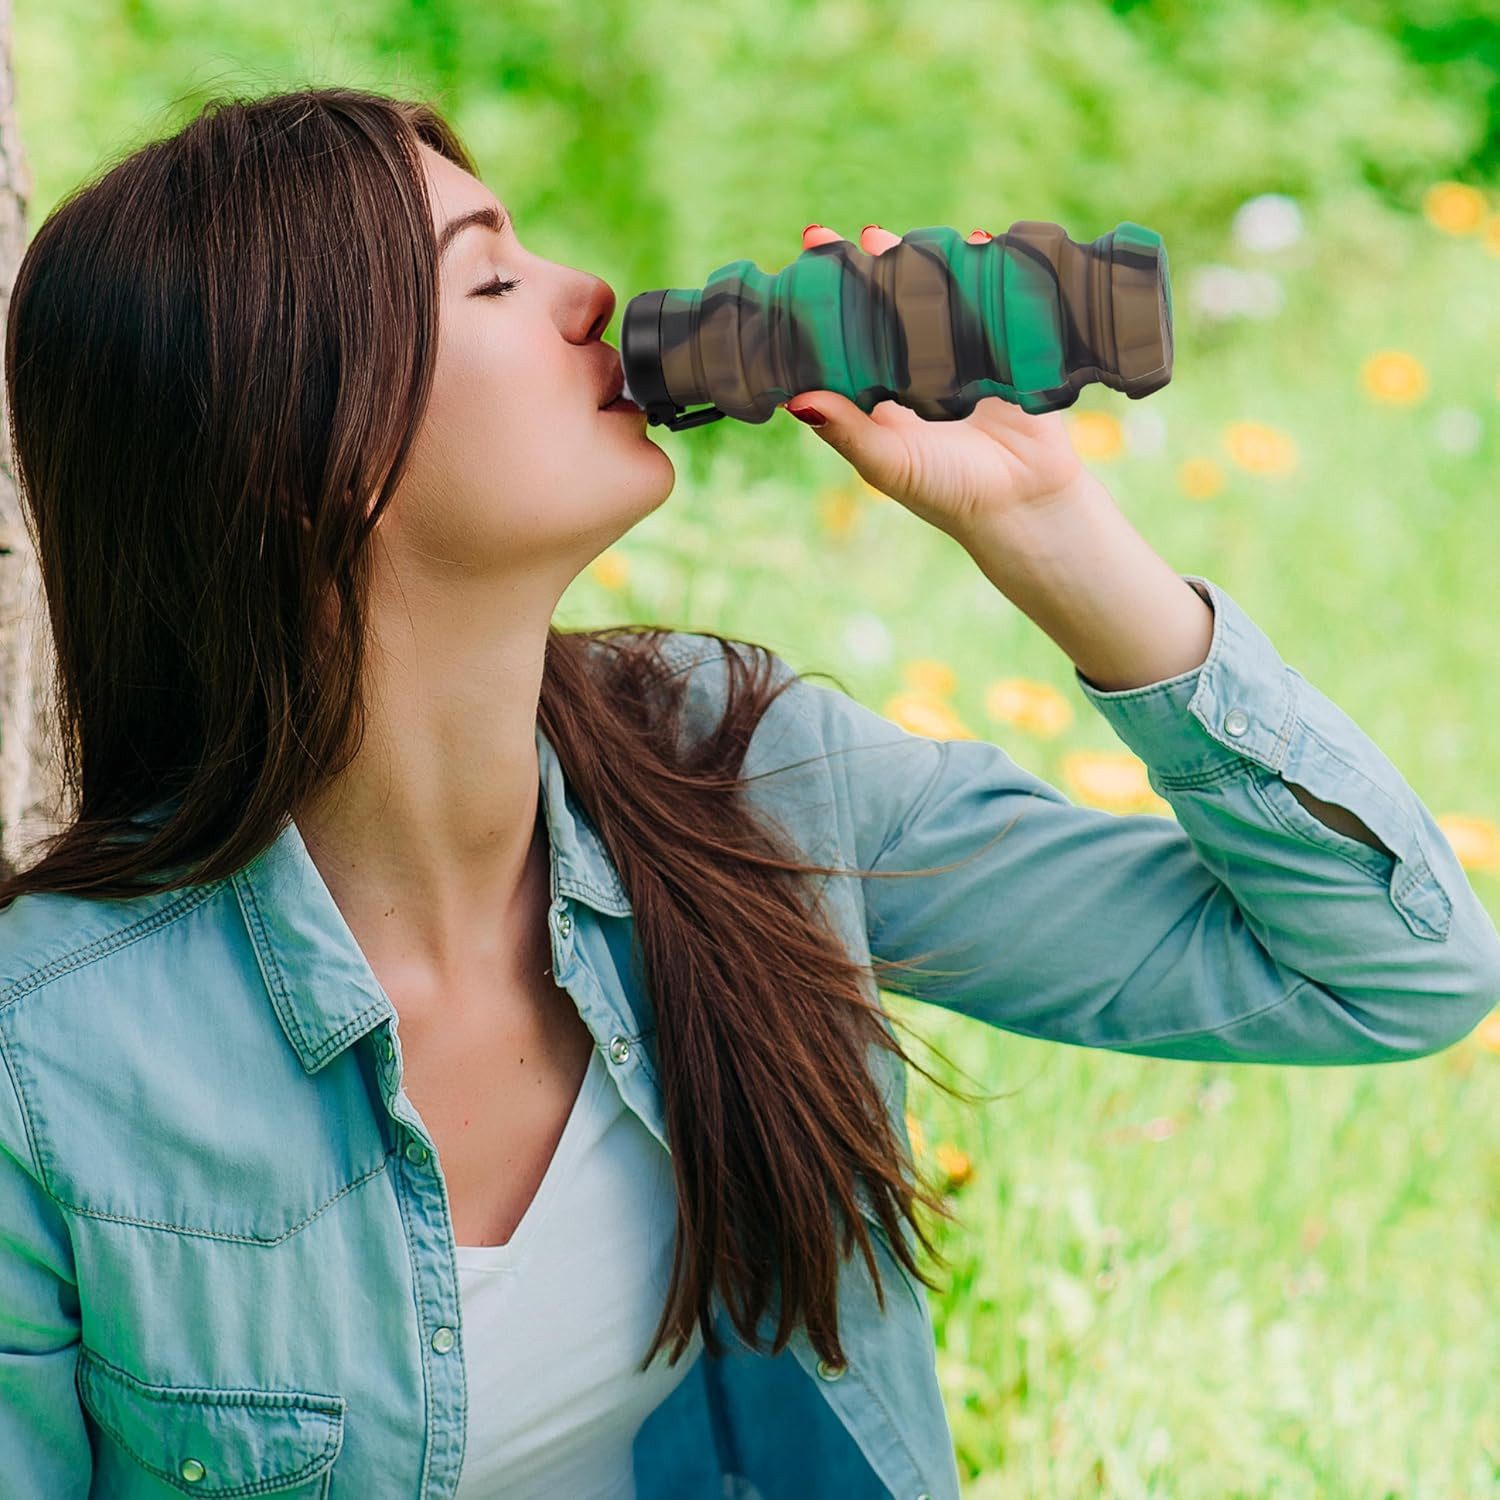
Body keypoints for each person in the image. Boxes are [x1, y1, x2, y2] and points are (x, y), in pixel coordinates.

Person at [1, 85, 1496, 1500]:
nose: (589, 288)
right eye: (492, 282)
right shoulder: (50, 1062)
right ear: (303, 451)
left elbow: (1393, 973)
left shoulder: (737, 777)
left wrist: (1055, 532)